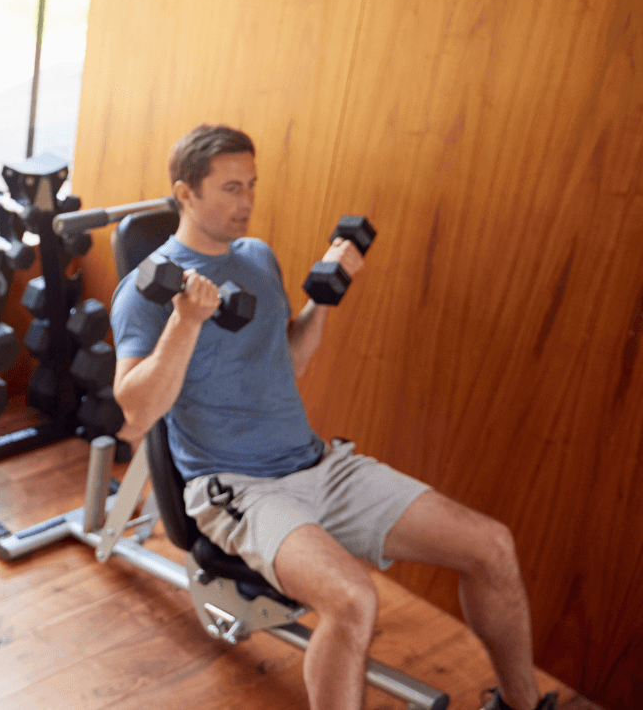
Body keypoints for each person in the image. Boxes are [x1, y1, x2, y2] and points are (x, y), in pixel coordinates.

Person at [109, 124, 555, 710]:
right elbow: (137, 410)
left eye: (252, 186)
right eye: (230, 188)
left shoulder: (257, 257)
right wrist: (186, 322)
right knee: (354, 600)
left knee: (491, 545)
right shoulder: (146, 291)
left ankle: (521, 704)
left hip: (318, 464)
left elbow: (285, 361)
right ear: (185, 193)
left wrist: (323, 299)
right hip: (237, 487)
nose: (246, 203)